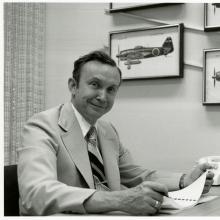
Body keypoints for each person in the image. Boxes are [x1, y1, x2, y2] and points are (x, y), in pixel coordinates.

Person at [18, 50, 215, 216]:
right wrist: (120, 199)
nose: (102, 96)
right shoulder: (42, 125)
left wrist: (184, 181)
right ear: (73, 86)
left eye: (111, 89)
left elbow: (137, 176)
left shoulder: (107, 131)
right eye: (94, 84)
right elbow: (35, 193)